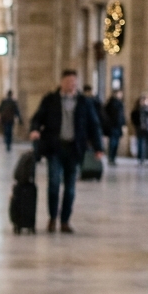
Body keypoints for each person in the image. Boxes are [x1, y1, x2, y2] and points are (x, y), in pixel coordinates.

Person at [29, 69, 104, 233]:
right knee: (54, 183)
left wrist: (98, 147)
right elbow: (37, 117)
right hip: (55, 148)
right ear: (62, 82)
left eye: (75, 83)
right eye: (69, 82)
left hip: (74, 149)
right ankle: (52, 218)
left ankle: (65, 220)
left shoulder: (84, 102)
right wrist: (35, 130)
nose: (72, 85)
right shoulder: (50, 100)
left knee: (70, 187)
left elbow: (94, 125)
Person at [131, 94, 148, 165]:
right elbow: (134, 119)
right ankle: (141, 159)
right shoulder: (136, 110)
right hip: (140, 129)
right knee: (140, 144)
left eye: (146, 100)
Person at [103, 90, 126, 165]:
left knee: (116, 143)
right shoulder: (110, 103)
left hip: (118, 126)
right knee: (112, 142)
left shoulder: (120, 104)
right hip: (112, 126)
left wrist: (123, 123)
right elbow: (105, 115)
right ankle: (110, 157)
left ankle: (113, 158)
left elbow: (121, 115)